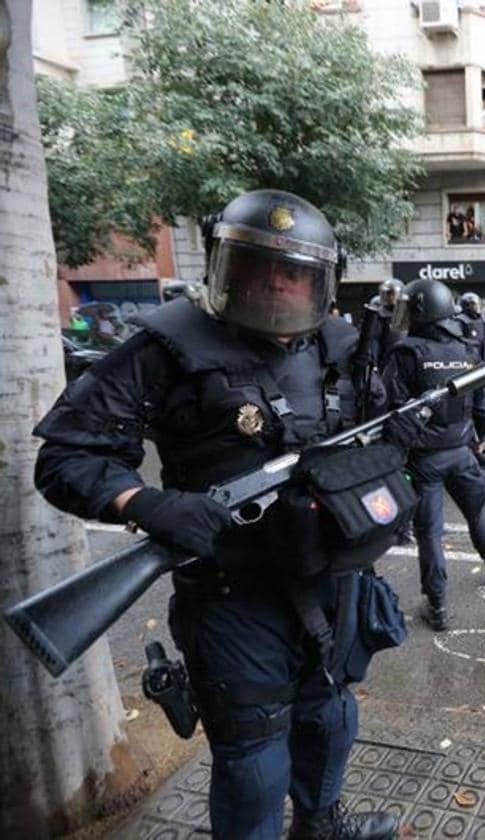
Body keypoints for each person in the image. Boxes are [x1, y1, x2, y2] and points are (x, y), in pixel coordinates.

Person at [33, 190, 404, 839]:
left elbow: (373, 433)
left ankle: (320, 827)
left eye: (295, 271)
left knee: (330, 719)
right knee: (254, 764)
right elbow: (67, 454)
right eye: (260, 267)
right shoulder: (167, 347)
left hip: (333, 579)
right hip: (232, 599)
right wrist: (143, 502)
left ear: (320, 280)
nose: (277, 283)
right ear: (226, 267)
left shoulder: (339, 346)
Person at [384, 278, 485, 632]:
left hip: (424, 458)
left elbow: (393, 411)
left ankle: (438, 605)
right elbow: (480, 404)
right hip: (462, 450)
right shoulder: (465, 349)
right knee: (477, 512)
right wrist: (478, 440)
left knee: (429, 533)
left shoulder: (406, 352)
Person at [455, 291, 485, 445]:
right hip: (466, 372)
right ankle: (470, 442)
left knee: (482, 411)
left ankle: (481, 440)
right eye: (471, 304)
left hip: (483, 370)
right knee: (466, 409)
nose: (474, 307)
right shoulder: (459, 322)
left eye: (476, 304)